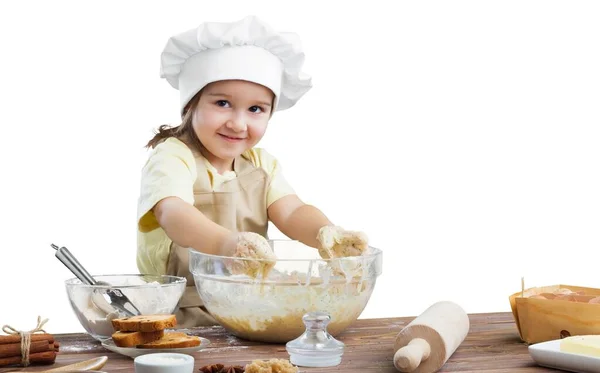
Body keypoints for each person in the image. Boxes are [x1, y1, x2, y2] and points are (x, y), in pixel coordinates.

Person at [136, 15, 368, 327]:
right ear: (190, 104)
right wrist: (225, 246)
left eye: (256, 109)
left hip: (247, 307)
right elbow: (172, 212)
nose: (238, 123)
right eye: (222, 103)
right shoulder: (173, 155)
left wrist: (326, 233)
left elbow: (292, 211)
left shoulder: (261, 164)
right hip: (178, 312)